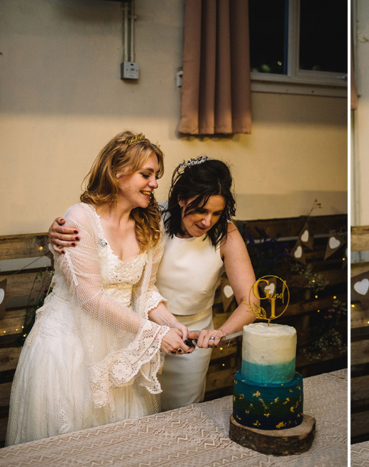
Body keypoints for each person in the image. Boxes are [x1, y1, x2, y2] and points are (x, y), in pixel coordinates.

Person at [7, 131, 192, 445]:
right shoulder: (79, 219)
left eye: (156, 175)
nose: (155, 183)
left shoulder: (150, 224)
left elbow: (145, 292)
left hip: (118, 347)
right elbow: (89, 297)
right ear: (118, 174)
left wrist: (173, 325)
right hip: (68, 350)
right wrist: (154, 335)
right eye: (146, 174)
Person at [49, 156, 258, 411]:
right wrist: (59, 229)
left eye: (216, 213)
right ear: (181, 199)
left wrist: (221, 332)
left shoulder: (227, 234)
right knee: (132, 413)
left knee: (181, 413)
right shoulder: (150, 215)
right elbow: (102, 222)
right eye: (201, 210)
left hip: (188, 337)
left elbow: (250, 302)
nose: (207, 221)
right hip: (134, 329)